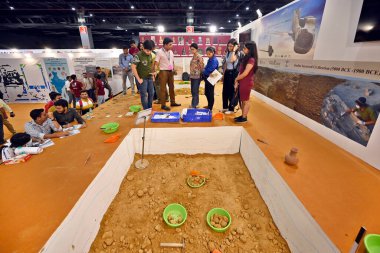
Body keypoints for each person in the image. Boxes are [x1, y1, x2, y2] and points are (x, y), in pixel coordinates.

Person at [153, 37, 181, 111]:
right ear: (165, 45)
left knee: (172, 87)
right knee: (163, 89)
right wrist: (155, 71)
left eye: (172, 44)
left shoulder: (171, 52)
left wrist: (174, 69)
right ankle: (163, 105)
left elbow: (172, 61)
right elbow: (156, 62)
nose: (171, 46)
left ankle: (173, 102)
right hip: (163, 72)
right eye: (170, 44)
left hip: (170, 71)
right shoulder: (159, 52)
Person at [234, 41, 258, 123]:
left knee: (246, 100)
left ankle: (244, 118)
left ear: (249, 49)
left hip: (246, 82)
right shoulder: (246, 58)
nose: (243, 49)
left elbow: (245, 73)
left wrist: (236, 79)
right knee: (243, 100)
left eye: (245, 48)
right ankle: (243, 115)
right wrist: (238, 80)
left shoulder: (251, 60)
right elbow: (241, 71)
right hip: (242, 82)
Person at [131, 40, 155, 110]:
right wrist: (138, 79)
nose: (149, 52)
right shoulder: (138, 55)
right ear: (143, 47)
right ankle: (146, 109)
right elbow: (133, 67)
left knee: (152, 93)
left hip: (149, 77)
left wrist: (153, 75)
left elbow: (150, 66)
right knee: (144, 95)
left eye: (150, 50)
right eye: (147, 50)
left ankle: (149, 108)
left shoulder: (150, 54)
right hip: (142, 79)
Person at [222, 39, 243, 114]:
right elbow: (226, 64)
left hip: (233, 73)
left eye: (231, 46)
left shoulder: (237, 53)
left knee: (231, 91)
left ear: (235, 46)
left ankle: (231, 109)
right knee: (225, 91)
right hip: (227, 72)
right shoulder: (228, 52)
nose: (229, 47)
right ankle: (225, 107)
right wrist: (223, 74)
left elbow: (231, 60)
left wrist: (234, 50)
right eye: (228, 46)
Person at [202, 47, 219, 111]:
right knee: (206, 92)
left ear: (213, 53)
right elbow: (207, 67)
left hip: (213, 76)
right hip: (208, 76)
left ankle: (210, 107)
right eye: (207, 54)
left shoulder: (214, 60)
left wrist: (203, 71)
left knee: (210, 92)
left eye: (209, 54)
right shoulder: (210, 59)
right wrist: (204, 69)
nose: (208, 55)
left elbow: (211, 69)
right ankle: (209, 105)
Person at [189, 43, 204, 108]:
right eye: (191, 49)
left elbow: (202, 66)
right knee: (193, 90)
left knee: (195, 90)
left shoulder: (199, 57)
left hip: (197, 76)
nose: (192, 51)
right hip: (192, 76)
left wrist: (201, 75)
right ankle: (196, 103)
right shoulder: (193, 57)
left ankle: (194, 104)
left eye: (193, 49)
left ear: (196, 49)